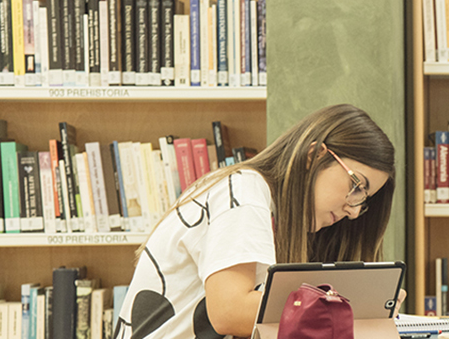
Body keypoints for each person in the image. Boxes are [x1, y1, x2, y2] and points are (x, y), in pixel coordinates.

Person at [115, 104, 399, 339]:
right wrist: (354, 309)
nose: (354, 209)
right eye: (356, 186)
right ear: (313, 156)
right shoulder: (244, 192)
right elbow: (229, 313)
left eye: (363, 200)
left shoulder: (281, 217)